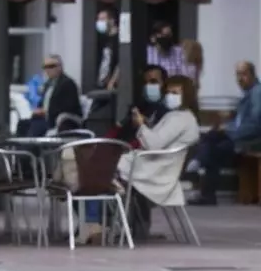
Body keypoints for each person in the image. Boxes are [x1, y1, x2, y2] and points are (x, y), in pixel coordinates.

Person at [117, 75, 200, 239]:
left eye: (175, 93)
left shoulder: (180, 119)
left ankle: (101, 227)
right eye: (168, 92)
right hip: (156, 166)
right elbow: (160, 139)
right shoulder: (180, 117)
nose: (170, 96)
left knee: (103, 176)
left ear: (186, 95)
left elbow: (154, 144)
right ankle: (126, 227)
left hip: (155, 170)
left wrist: (141, 125)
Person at [192, 61, 261, 205]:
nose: (240, 79)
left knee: (212, 149)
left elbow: (255, 125)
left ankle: (199, 165)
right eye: (237, 75)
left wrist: (228, 130)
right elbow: (240, 122)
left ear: (253, 75)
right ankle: (199, 163)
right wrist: (227, 125)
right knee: (210, 138)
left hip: (250, 140)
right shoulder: (248, 94)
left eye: (243, 74)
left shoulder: (257, 93)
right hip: (239, 136)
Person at [107, 64, 169, 146]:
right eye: (145, 83)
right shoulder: (139, 108)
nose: (148, 86)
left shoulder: (170, 109)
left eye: (153, 82)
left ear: (164, 84)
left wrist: (144, 124)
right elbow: (119, 137)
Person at [29, 54, 82, 136]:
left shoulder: (68, 83)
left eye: (51, 66)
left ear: (60, 67)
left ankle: (31, 144)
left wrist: (46, 111)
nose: (47, 70)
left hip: (60, 120)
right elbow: (41, 104)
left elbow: (70, 106)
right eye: (45, 67)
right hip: (44, 119)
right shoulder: (47, 84)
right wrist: (38, 111)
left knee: (36, 128)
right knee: (23, 124)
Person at [95, 7, 120, 90]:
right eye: (98, 19)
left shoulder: (119, 39)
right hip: (102, 83)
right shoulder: (103, 39)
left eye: (102, 19)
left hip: (113, 86)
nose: (99, 22)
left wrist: (113, 81)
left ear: (112, 21)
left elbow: (121, 63)